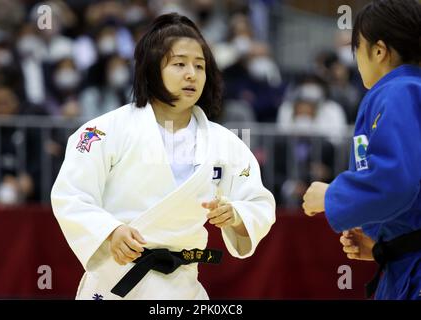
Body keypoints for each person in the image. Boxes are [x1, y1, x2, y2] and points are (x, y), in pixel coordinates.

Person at [50, 13, 276, 300]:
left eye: (199, 66)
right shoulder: (103, 131)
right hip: (116, 281)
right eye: (179, 64)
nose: (191, 74)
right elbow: (71, 195)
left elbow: (258, 203)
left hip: (182, 286)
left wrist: (235, 214)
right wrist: (110, 231)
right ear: (152, 70)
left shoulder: (226, 144)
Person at [302, 0, 421, 300]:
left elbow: (396, 182)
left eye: (357, 49)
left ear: (379, 51)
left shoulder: (398, 92)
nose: (355, 60)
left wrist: (331, 196)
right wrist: (387, 244)